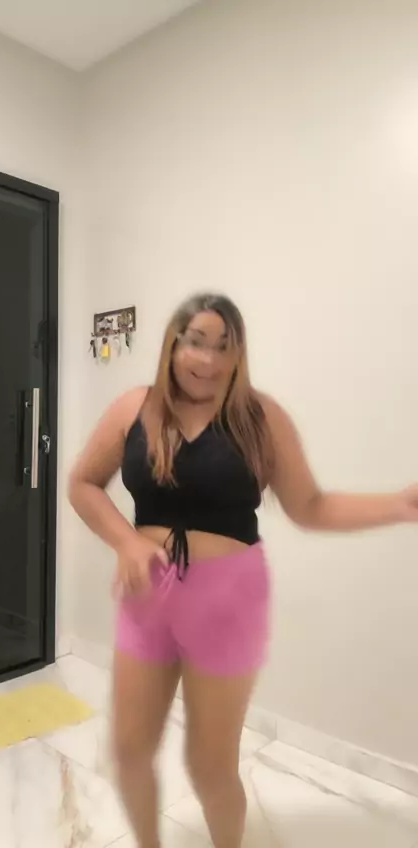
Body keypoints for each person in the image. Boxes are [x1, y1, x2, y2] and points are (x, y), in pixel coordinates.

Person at [68, 293, 418, 848]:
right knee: (129, 750)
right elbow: (83, 484)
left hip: (228, 603)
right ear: (173, 344)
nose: (207, 360)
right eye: (196, 342)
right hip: (147, 598)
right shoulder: (135, 407)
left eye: (223, 347)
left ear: (238, 355)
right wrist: (126, 542)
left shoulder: (259, 417)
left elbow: (311, 507)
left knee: (210, 767)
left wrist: (398, 506)